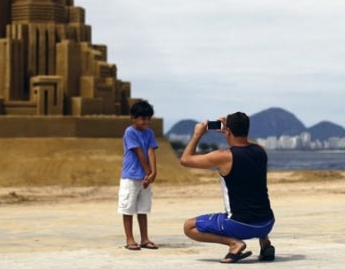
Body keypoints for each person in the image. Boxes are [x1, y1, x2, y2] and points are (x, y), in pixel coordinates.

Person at [180, 112, 276, 264]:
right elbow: (247, 143)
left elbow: (185, 160)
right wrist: (230, 130)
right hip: (267, 223)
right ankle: (265, 243)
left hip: (240, 225)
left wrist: (197, 134)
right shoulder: (261, 151)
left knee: (189, 227)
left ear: (228, 131)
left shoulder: (224, 156)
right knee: (254, 200)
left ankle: (234, 244)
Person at [118, 100, 159, 250]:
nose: (146, 122)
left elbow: (151, 151)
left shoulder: (149, 133)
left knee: (143, 209)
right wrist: (148, 172)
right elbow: (139, 152)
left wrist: (154, 172)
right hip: (131, 176)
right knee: (128, 208)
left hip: (145, 177)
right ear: (133, 118)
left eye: (148, 118)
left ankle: (144, 239)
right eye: (143, 118)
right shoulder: (129, 132)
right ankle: (130, 239)